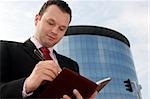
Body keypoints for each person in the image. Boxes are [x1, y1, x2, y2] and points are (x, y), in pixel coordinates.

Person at [0, 0, 97, 98]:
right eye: (51, 23)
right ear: (37, 19)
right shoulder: (5, 49)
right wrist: (26, 85)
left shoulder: (72, 65)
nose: (55, 31)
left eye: (61, 29)